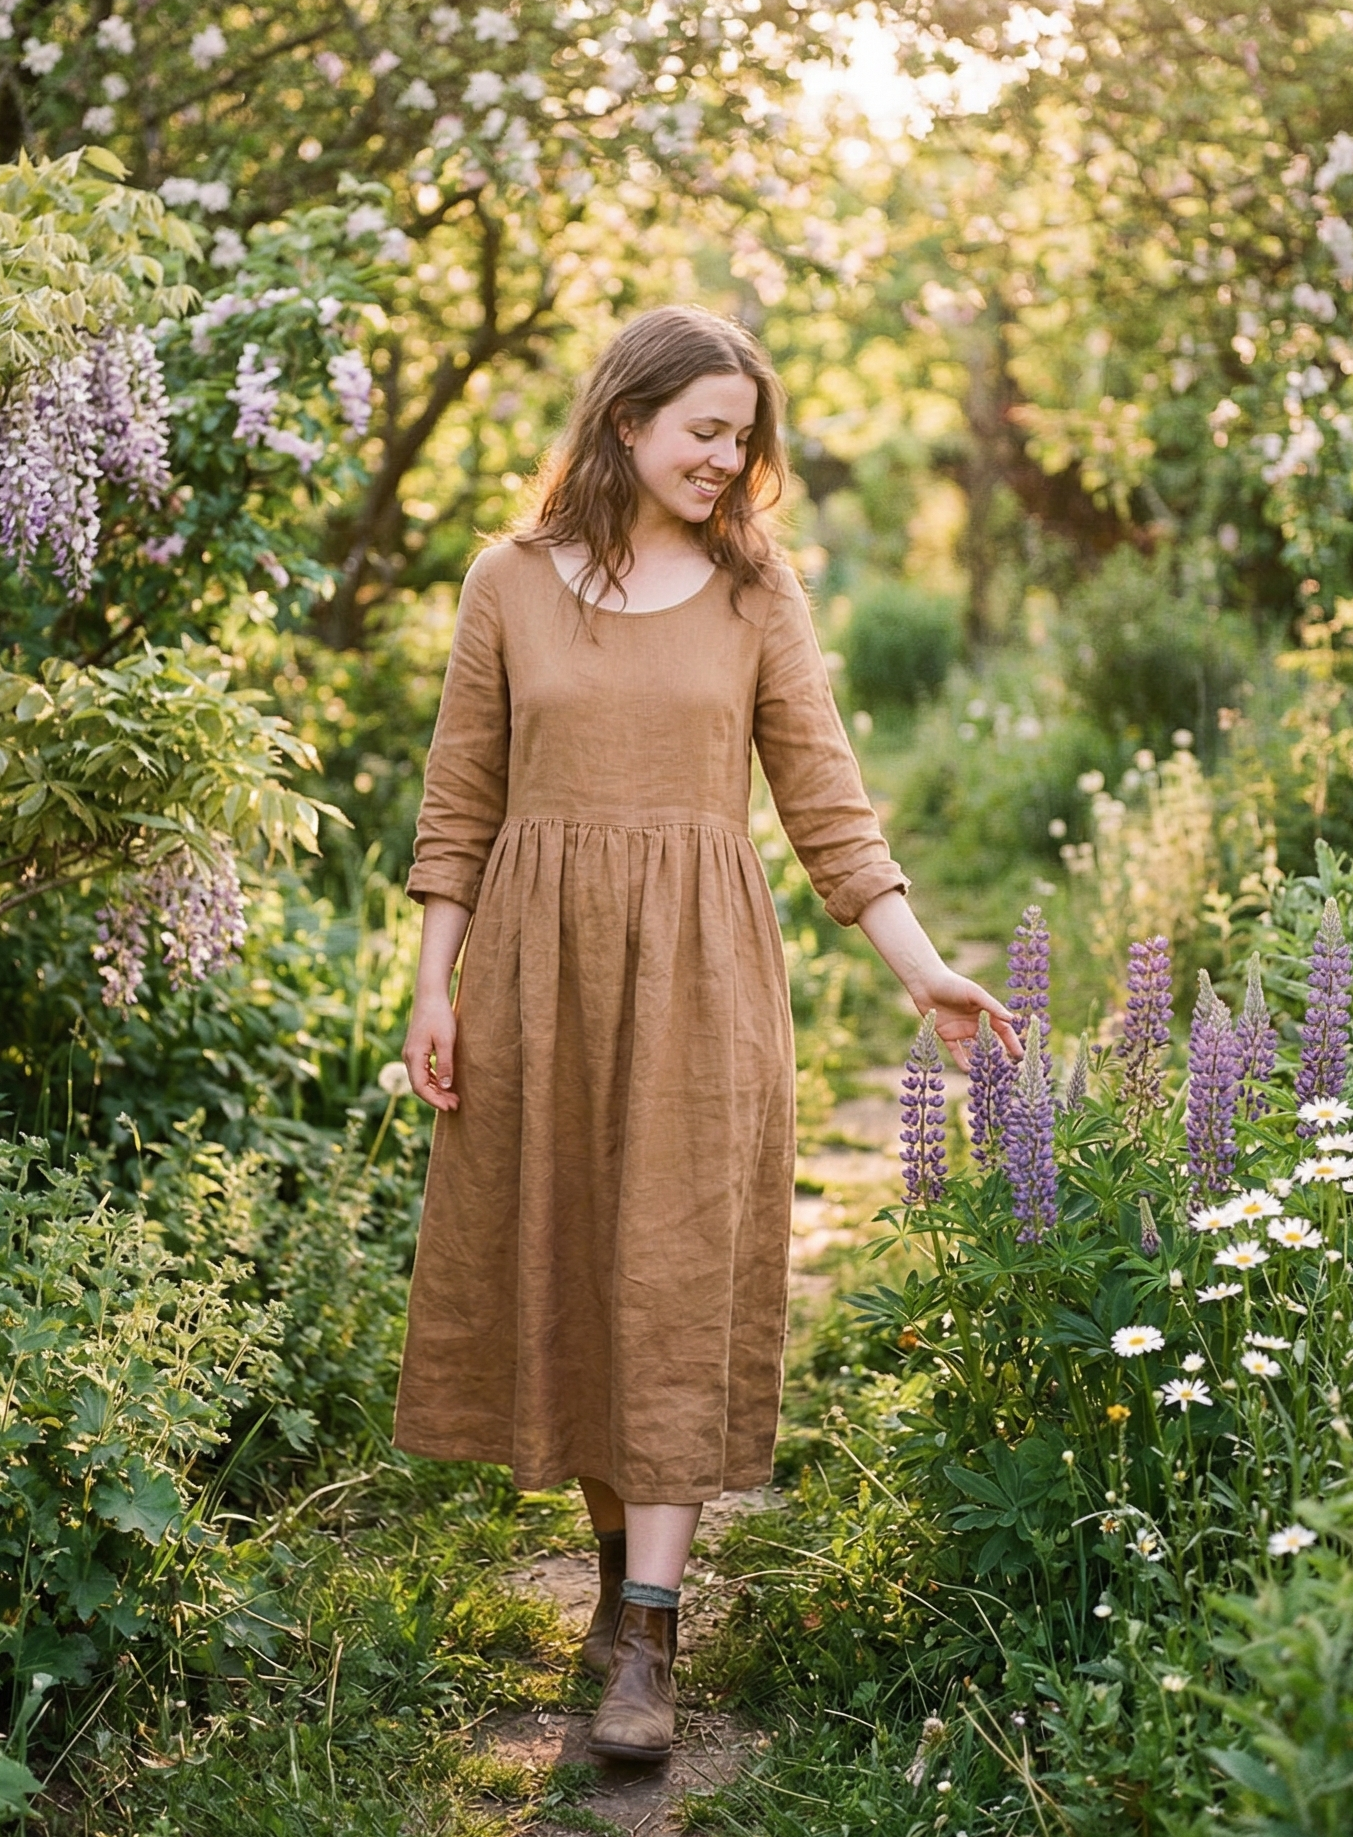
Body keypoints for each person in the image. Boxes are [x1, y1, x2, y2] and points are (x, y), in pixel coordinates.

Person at [396, 305, 1016, 1763]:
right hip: (537, 972)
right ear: (628, 422)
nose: (731, 464)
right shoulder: (506, 582)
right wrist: (436, 985)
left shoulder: (756, 593)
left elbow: (825, 799)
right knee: (579, 1269)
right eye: (707, 434)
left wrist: (922, 968)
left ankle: (653, 1642)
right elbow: (458, 800)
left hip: (698, 975)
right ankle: (617, 1587)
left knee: (670, 1274)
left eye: (746, 441)